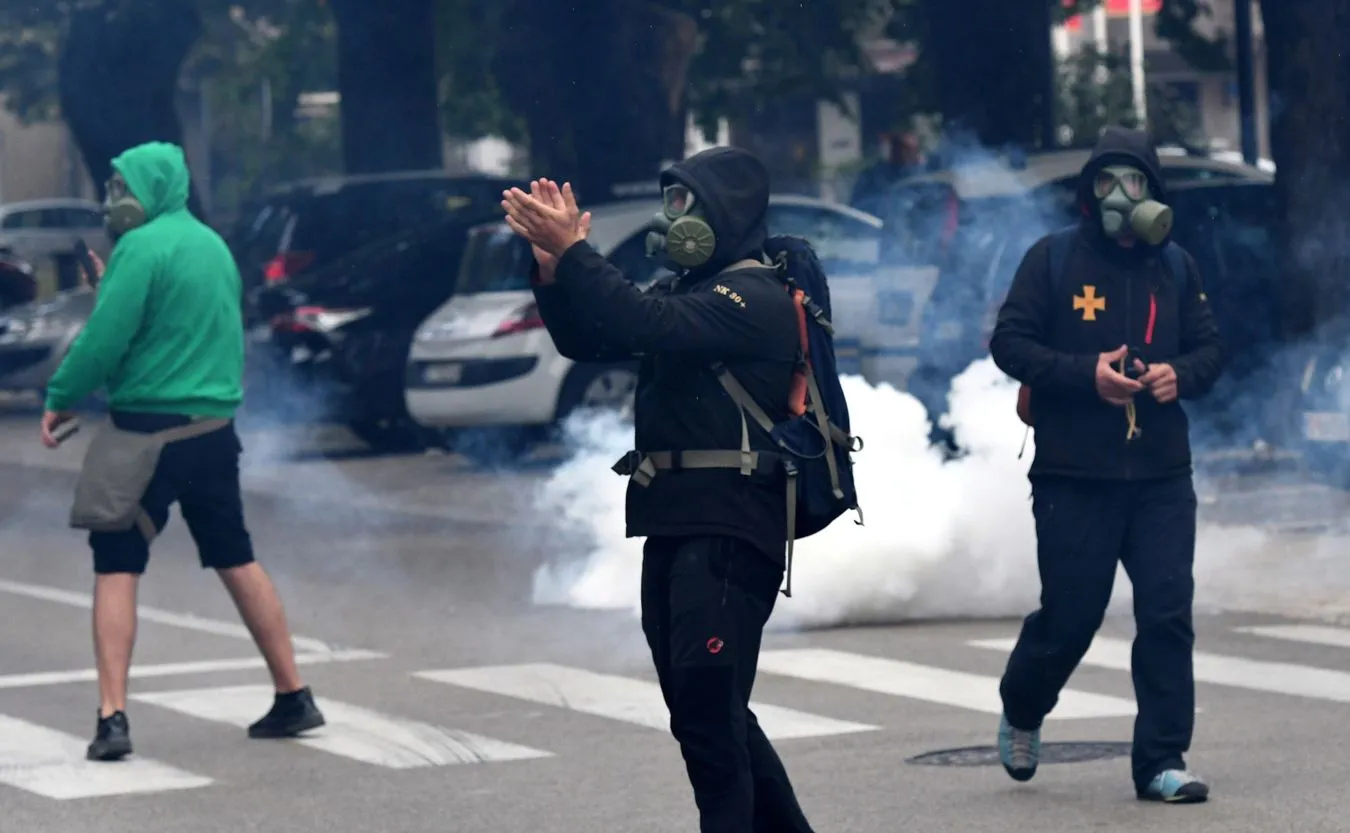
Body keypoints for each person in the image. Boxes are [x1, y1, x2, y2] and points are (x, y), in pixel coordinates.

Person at [500, 148, 819, 833]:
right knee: (706, 709)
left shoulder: (753, 296)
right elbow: (595, 337)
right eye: (669, 200)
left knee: (709, 715)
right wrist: (554, 270)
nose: (670, 217)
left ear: (723, 214)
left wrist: (580, 252)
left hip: (731, 524)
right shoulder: (688, 291)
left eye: (684, 203)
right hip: (675, 522)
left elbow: (647, 326)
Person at [39, 141, 325, 762]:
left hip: (145, 432)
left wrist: (60, 394)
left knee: (116, 561)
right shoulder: (211, 245)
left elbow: (105, 339)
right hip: (213, 431)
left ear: (153, 187)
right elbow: (184, 319)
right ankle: (293, 692)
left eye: (123, 187)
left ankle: (112, 716)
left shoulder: (140, 247)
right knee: (235, 555)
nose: (113, 199)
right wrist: (109, 282)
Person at [988, 125, 1224, 804]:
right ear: (1090, 192)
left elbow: (1210, 349)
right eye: (1107, 180)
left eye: (1134, 180)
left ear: (1153, 189)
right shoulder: (1053, 259)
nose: (1121, 193)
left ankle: (1160, 759)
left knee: (1167, 610)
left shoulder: (1176, 264)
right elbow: (1010, 342)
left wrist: (1180, 374)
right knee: (1071, 615)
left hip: (1160, 476)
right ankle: (1024, 702)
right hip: (1073, 475)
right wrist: (1083, 374)